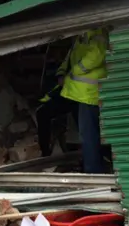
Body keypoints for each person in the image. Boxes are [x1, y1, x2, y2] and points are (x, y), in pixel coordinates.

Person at [36, 28, 108, 173]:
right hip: (75, 92)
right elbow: (69, 57)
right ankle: (91, 166)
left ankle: (93, 171)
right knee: (85, 133)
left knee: (89, 135)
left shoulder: (97, 33)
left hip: (87, 94)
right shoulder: (82, 35)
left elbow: (96, 56)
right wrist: (62, 73)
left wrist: (74, 71)